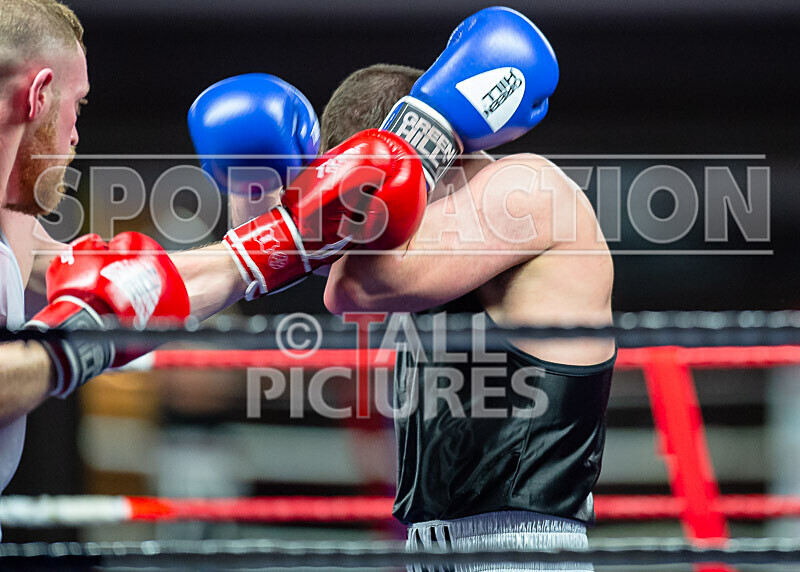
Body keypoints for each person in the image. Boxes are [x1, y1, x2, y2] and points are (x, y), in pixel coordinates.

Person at [0, 0, 427, 526]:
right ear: (40, 94)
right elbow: (106, 306)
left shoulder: (18, 228)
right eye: (78, 106)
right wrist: (80, 339)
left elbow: (130, 282)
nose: (75, 134)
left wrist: (285, 232)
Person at [322, 64, 615, 571]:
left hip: (518, 546)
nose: (366, 209)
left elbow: (348, 287)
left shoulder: (526, 187)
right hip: (431, 545)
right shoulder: (419, 242)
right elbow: (315, 267)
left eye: (369, 183)